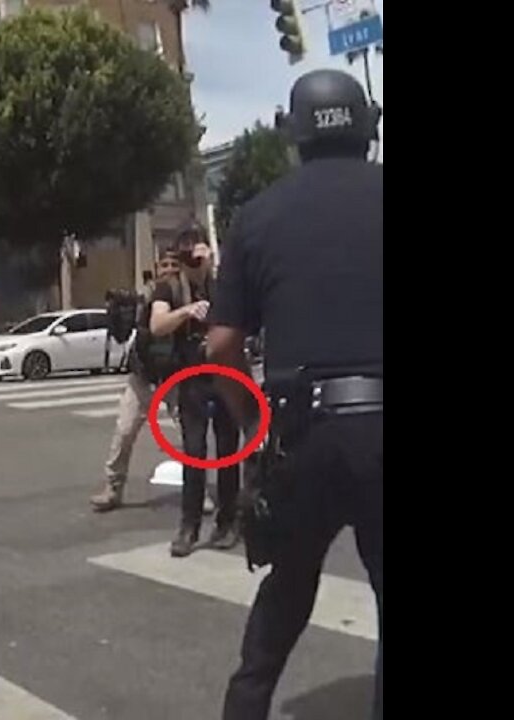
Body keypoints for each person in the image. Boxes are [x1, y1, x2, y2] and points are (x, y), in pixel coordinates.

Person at [207, 68, 383, 720]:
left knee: (289, 584)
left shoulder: (257, 216)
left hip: (301, 430)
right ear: (368, 126)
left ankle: (245, 706)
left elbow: (222, 343)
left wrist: (254, 422)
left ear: (296, 135)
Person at [149, 230, 240, 556]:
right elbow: (157, 324)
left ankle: (228, 521)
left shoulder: (223, 284)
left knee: (229, 451)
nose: (195, 266)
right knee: (194, 452)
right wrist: (186, 311)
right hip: (191, 379)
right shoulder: (170, 287)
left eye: (199, 258)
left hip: (225, 373)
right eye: (188, 259)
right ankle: (189, 527)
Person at [89, 253, 181, 511]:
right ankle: (113, 487)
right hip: (143, 375)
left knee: (189, 436)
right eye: (165, 265)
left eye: (175, 266)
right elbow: (121, 334)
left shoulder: (186, 296)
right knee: (125, 431)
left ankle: (196, 490)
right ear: (156, 269)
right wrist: (119, 312)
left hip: (176, 377)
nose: (170, 270)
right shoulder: (146, 299)